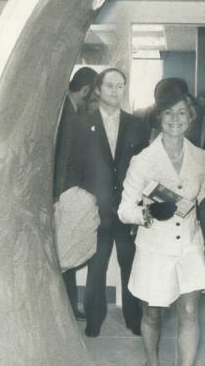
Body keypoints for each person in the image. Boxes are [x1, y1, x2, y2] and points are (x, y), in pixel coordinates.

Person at [118, 78, 205, 366]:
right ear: (159, 117)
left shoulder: (199, 156)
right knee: (152, 314)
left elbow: (203, 191)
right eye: (168, 113)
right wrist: (145, 213)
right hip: (154, 247)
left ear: (191, 116)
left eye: (182, 112)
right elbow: (124, 209)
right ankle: (151, 365)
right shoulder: (143, 160)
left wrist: (189, 207)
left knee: (189, 313)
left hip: (188, 244)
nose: (175, 119)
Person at [74, 67, 149, 337]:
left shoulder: (137, 124)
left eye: (120, 86)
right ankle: (94, 320)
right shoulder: (83, 124)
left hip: (127, 207)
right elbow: (76, 167)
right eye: (109, 86)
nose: (115, 91)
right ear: (98, 88)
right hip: (97, 207)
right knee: (97, 266)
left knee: (130, 262)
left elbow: (144, 168)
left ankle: (133, 318)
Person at [53, 66, 97, 319]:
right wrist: (58, 197)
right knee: (64, 254)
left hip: (67, 192)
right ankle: (66, 308)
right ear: (86, 90)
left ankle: (69, 308)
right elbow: (63, 157)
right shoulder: (68, 114)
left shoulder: (70, 109)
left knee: (65, 252)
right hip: (65, 193)